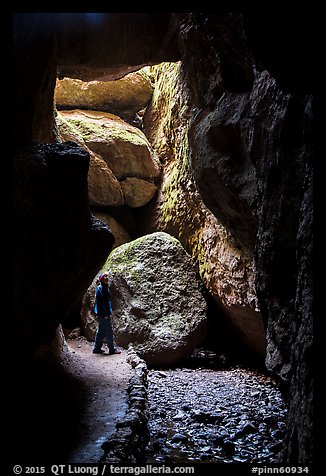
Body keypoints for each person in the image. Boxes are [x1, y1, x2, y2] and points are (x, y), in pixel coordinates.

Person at [92, 272, 121, 355]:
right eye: (105, 277)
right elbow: (101, 303)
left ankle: (96, 348)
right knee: (109, 331)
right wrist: (105, 314)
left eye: (107, 277)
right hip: (103, 314)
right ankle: (112, 349)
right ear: (101, 279)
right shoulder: (100, 289)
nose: (107, 278)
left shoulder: (105, 288)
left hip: (103, 313)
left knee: (101, 331)